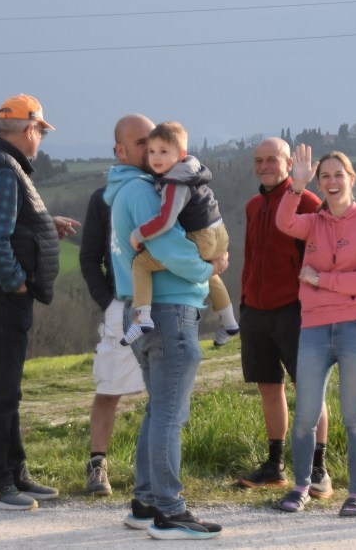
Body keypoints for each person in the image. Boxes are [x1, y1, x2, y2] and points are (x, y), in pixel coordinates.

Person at [104, 114, 228, 541]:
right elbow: (171, 248)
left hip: (145, 309)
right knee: (170, 416)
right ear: (122, 150)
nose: (150, 150)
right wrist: (209, 268)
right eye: (141, 143)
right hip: (170, 310)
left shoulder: (125, 189)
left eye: (155, 142)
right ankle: (170, 512)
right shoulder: (142, 191)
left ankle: (146, 503)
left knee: (159, 409)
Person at [0, 94, 81, 511]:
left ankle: (14, 472)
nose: (40, 139)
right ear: (30, 129)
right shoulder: (4, 169)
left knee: (7, 386)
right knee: (1, 389)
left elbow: (5, 221)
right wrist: (16, 285)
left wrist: (44, 223)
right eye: (41, 132)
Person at [274, 145, 356, 518]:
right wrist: (296, 187)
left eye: (339, 175)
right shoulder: (312, 221)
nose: (332, 181)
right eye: (325, 177)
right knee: (305, 415)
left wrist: (321, 279)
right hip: (315, 327)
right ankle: (301, 487)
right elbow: (284, 222)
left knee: (354, 415)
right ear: (319, 183)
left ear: (352, 179)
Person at [235, 137, 332, 498]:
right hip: (256, 310)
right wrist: (245, 302)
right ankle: (274, 466)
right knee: (268, 387)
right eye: (258, 160)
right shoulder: (252, 206)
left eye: (271, 160)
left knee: (309, 388)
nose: (263, 166)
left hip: (294, 310)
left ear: (289, 163)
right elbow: (249, 258)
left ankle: (318, 469)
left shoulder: (308, 203)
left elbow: (319, 258)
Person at [123, 121, 239, 347]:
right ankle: (229, 322)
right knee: (210, 273)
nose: (156, 157)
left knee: (141, 264)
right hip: (219, 232)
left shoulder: (175, 182)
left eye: (163, 151)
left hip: (202, 236)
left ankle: (141, 316)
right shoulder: (191, 170)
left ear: (181, 154)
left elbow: (165, 221)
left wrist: (139, 234)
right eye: (152, 151)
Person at [79, 183, 146, 496]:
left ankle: (156, 470)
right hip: (120, 304)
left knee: (164, 393)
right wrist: (109, 303)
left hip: (164, 302)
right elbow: (89, 258)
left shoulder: (169, 189)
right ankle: (97, 465)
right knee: (108, 389)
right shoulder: (103, 196)